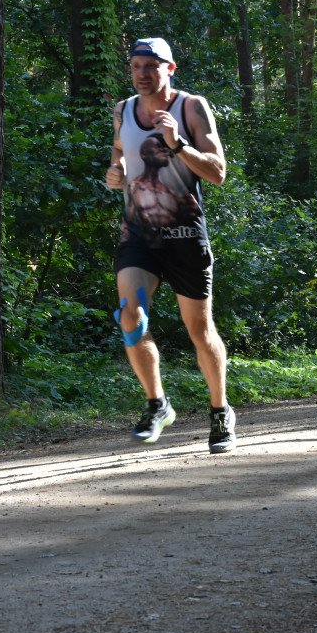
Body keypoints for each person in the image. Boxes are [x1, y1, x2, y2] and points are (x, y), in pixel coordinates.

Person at [104, 37, 236, 453]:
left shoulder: (191, 107)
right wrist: (117, 169)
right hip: (139, 236)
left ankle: (220, 411)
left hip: (185, 237)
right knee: (131, 317)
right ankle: (157, 403)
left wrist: (178, 144)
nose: (142, 73)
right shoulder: (123, 110)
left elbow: (218, 173)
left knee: (200, 330)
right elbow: (120, 149)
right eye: (136, 66)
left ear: (170, 69)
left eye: (150, 66)